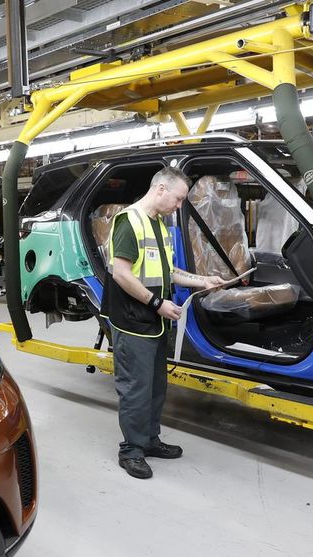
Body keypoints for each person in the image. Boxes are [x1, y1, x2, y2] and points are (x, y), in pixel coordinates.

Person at [101, 167, 225, 479]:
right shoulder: (130, 221)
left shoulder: (158, 224)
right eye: (179, 199)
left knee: (156, 386)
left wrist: (202, 280)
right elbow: (121, 273)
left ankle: (149, 440)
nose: (179, 206)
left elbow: (169, 272)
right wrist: (157, 303)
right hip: (133, 321)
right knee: (135, 388)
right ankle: (131, 449)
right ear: (160, 189)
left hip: (153, 322)